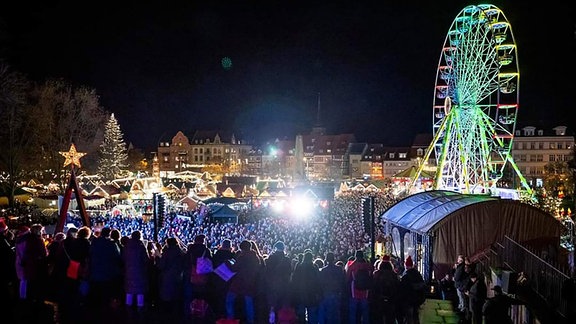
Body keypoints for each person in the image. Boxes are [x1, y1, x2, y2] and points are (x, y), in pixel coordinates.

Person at [226, 239, 261, 324]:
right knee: (249, 303)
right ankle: (250, 321)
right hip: (250, 282)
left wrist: (228, 263)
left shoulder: (243, 257)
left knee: (229, 300)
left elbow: (234, 269)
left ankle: (230, 319)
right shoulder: (255, 257)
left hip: (239, 282)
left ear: (242, 248)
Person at [318, 251, 346, 324]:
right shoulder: (339, 269)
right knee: (336, 313)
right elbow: (342, 281)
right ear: (334, 259)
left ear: (326, 259)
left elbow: (321, 283)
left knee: (328, 313)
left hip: (327, 293)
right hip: (337, 293)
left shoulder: (323, 270)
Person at [371, 255, 400, 324]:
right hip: (391, 299)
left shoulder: (376, 274)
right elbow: (397, 286)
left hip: (379, 299)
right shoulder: (394, 274)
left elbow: (373, 286)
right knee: (390, 318)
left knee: (379, 318)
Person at [346, 249, 373, 324]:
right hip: (365, 292)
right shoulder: (368, 266)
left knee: (353, 312)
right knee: (365, 312)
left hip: (354, 291)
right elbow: (371, 277)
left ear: (355, 256)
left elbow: (347, 278)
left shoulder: (352, 266)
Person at [399, 255, 426, 324]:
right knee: (415, 315)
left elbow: (403, 290)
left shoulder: (406, 276)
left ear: (406, 265)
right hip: (417, 300)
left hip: (408, 300)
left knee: (409, 317)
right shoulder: (418, 274)